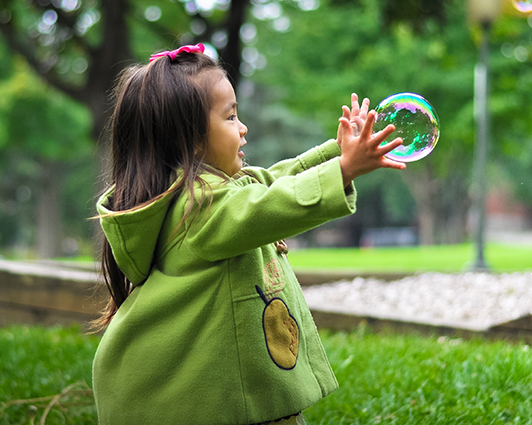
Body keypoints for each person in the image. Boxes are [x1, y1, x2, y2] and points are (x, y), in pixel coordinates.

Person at [91, 43, 406, 425]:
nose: (243, 128)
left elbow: (270, 181)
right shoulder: (199, 208)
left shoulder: (210, 193)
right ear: (190, 139)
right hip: (221, 407)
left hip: (230, 397)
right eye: (230, 117)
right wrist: (342, 171)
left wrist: (336, 154)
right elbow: (268, 205)